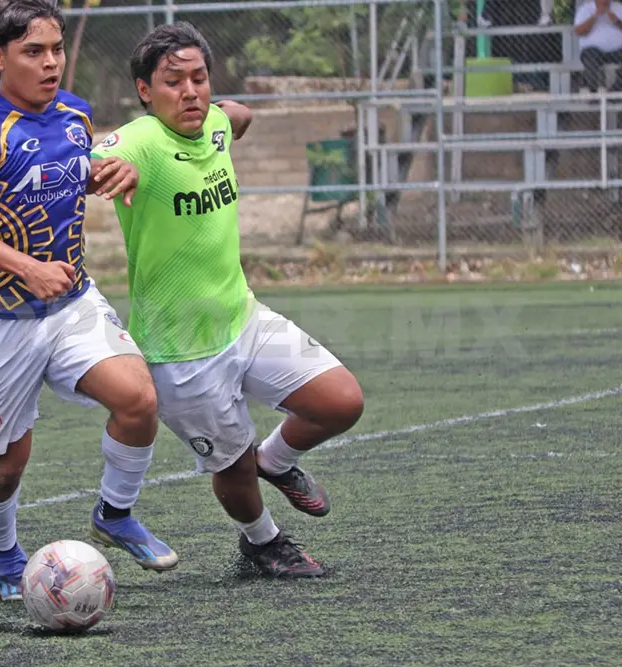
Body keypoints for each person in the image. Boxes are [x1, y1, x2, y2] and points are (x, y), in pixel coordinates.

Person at [91, 22, 365, 578]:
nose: (190, 91)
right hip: (180, 350)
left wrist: (236, 113)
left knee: (341, 402)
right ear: (145, 91)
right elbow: (100, 157)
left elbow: (236, 116)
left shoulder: (214, 120)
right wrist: (102, 166)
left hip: (245, 319)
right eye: (173, 82)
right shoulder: (138, 141)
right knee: (231, 465)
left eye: (199, 78)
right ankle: (262, 543)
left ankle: (278, 460)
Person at [0, 0, 178, 601]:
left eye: (56, 49)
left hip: (71, 303)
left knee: (138, 399)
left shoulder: (75, 112)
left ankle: (115, 514)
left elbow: (75, 169)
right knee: (6, 465)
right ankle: (3, 556)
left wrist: (110, 172)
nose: (51, 64)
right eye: (33, 52)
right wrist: (26, 269)